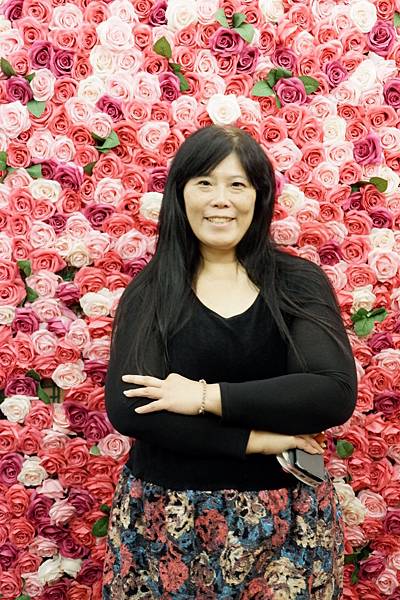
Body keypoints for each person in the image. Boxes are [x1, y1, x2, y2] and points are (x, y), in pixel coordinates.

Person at [102, 125, 357, 599]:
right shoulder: (152, 292)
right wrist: (255, 440)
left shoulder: (298, 283)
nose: (221, 199)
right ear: (180, 194)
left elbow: (330, 393)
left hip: (287, 525)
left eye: (237, 184)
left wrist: (204, 397)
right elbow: (130, 410)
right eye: (205, 182)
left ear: (259, 197)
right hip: (165, 525)